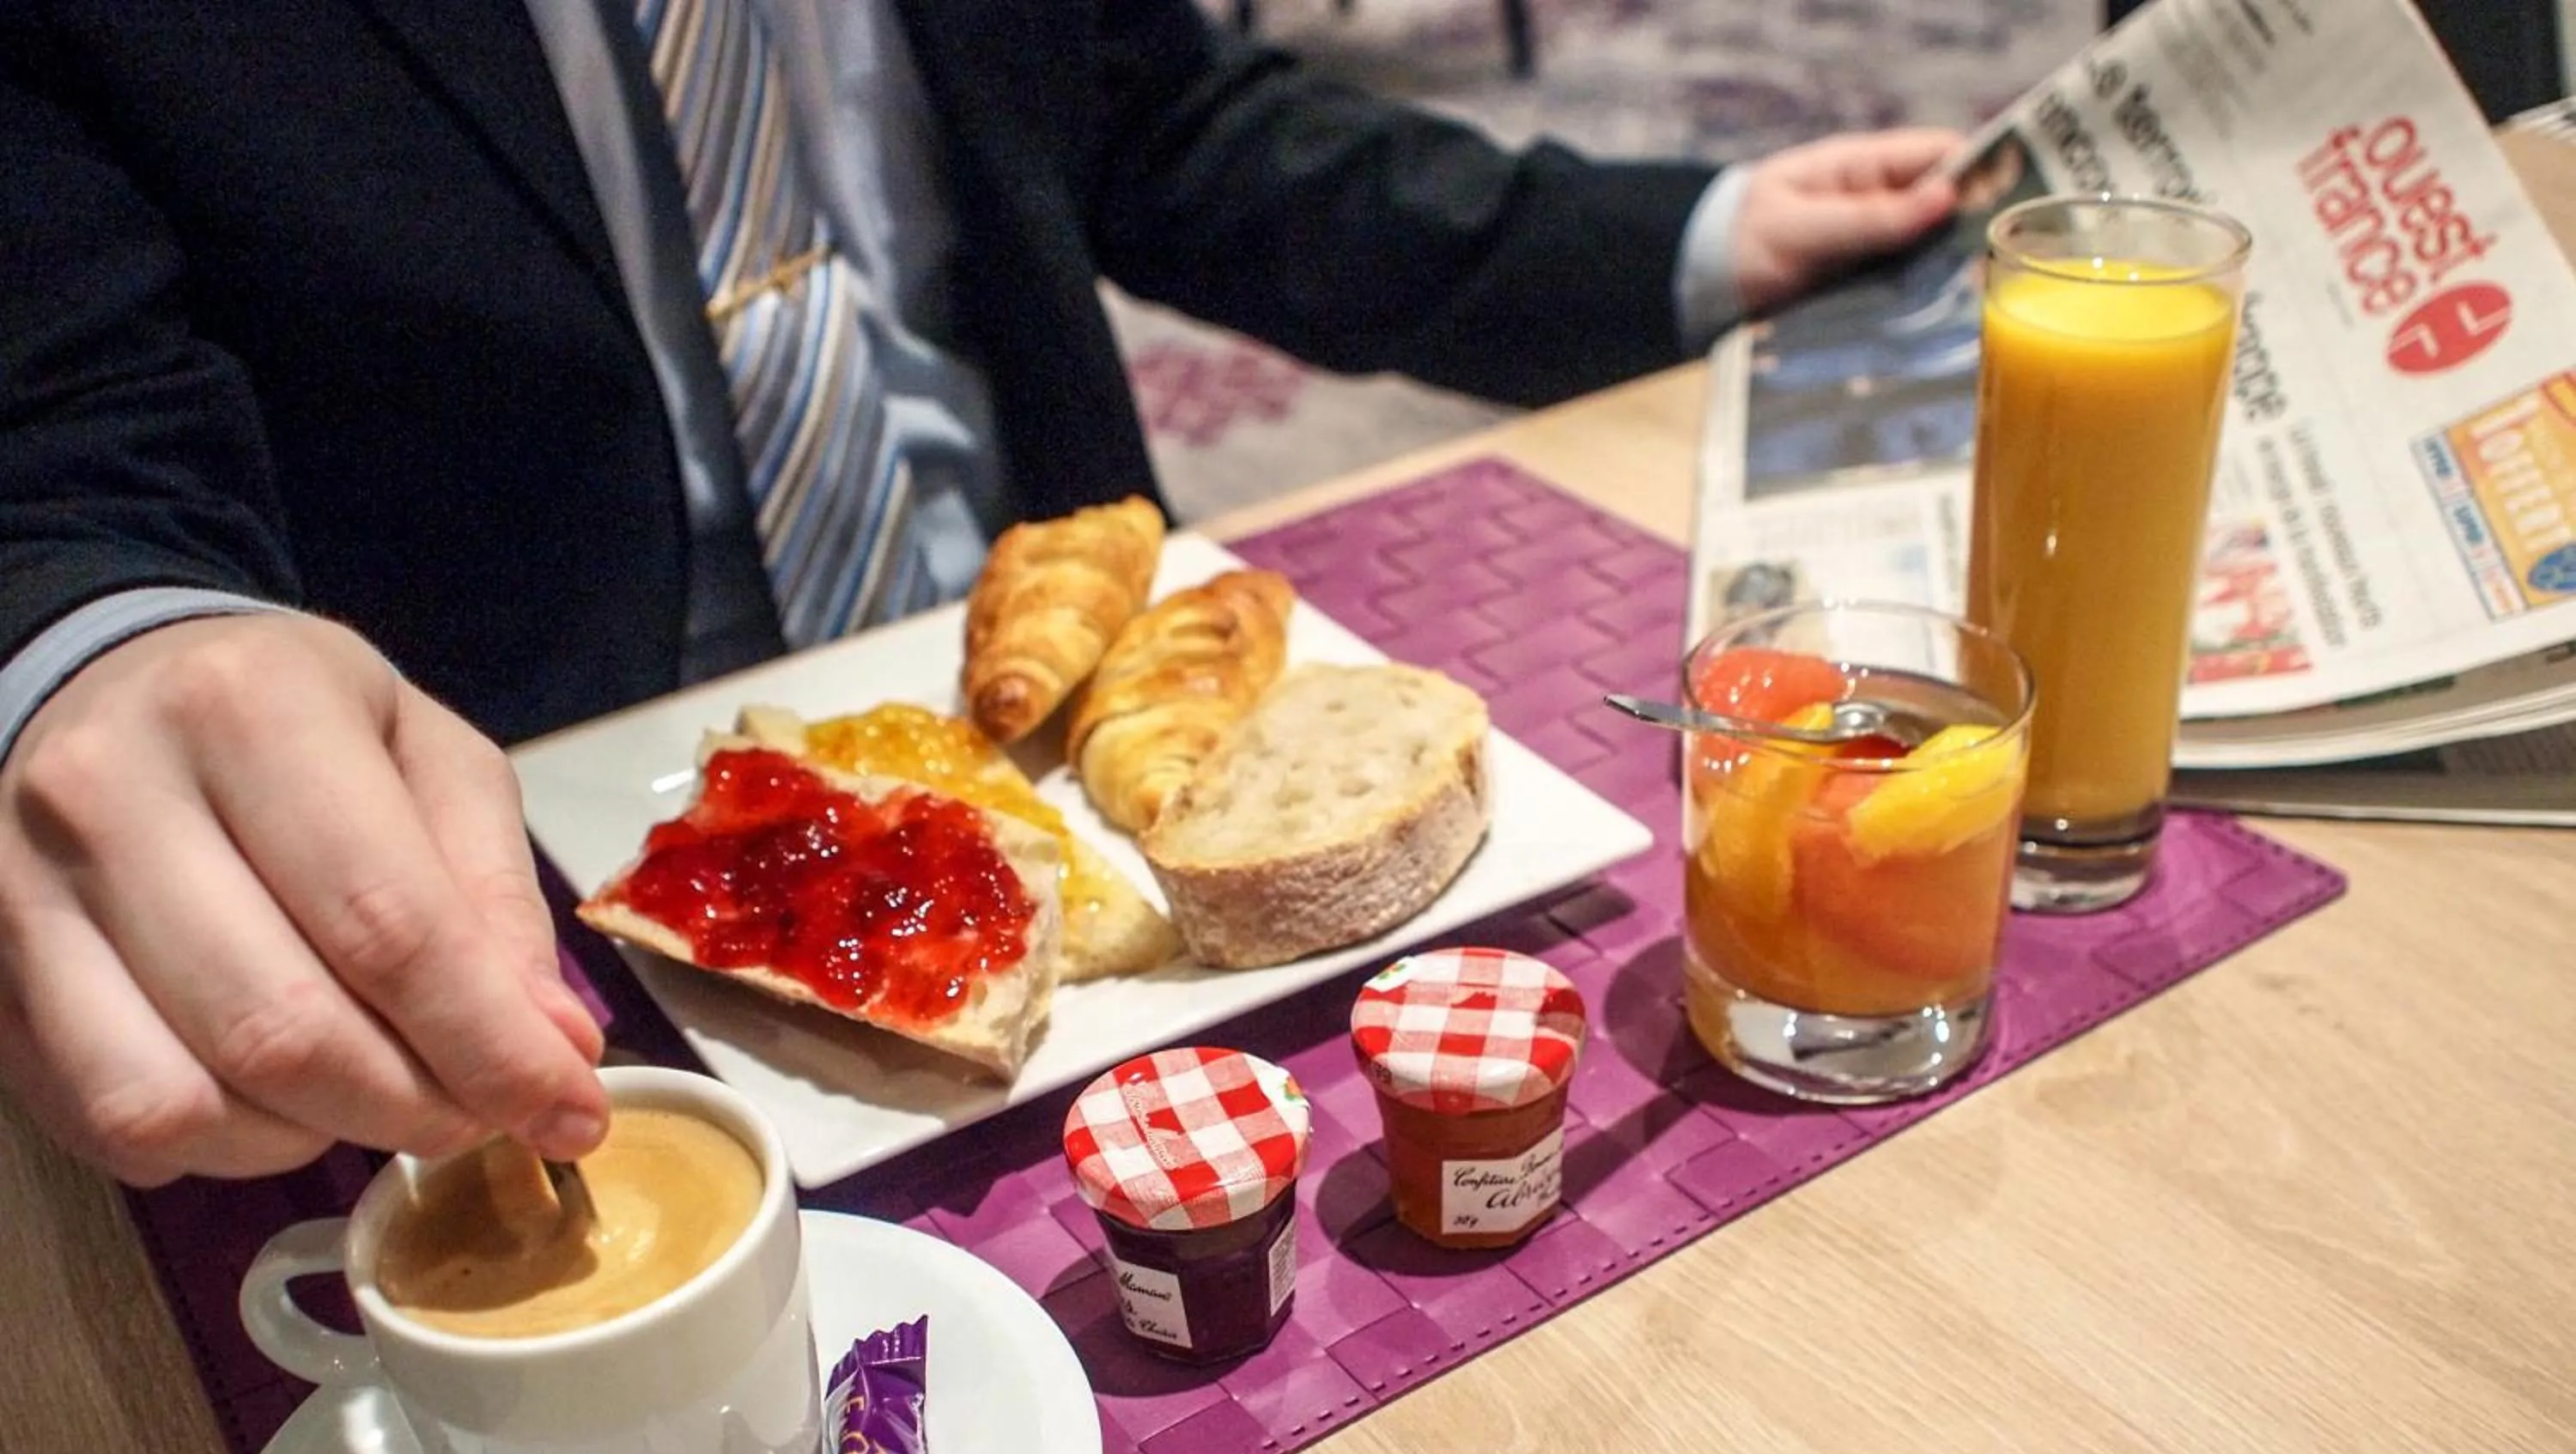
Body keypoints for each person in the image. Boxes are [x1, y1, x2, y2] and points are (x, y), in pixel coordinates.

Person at [0, 2, 1962, 1189]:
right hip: (461, 901)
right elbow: (62, 413)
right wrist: (108, 637)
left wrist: (1690, 241)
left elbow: (1166, 129)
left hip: (1080, 775)